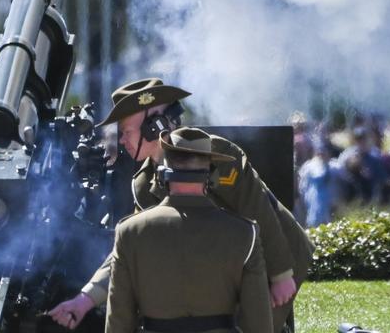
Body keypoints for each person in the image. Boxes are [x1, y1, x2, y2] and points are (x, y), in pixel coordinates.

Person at [50, 78, 312, 333]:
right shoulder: (145, 182)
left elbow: (259, 212)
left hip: (279, 257)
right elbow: (128, 248)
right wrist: (84, 299)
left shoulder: (214, 156)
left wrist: (280, 274)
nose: (122, 141)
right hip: (233, 267)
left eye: (126, 132)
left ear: (155, 126)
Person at [105, 127, 273, 333]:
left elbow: (119, 321)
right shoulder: (245, 233)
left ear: (162, 175)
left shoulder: (129, 232)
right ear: (210, 175)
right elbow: (259, 324)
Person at [297, 147, 335, 227]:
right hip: (312, 200)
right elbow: (303, 185)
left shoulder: (332, 166)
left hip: (327, 203)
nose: (321, 156)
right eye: (319, 154)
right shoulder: (309, 166)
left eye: (323, 154)